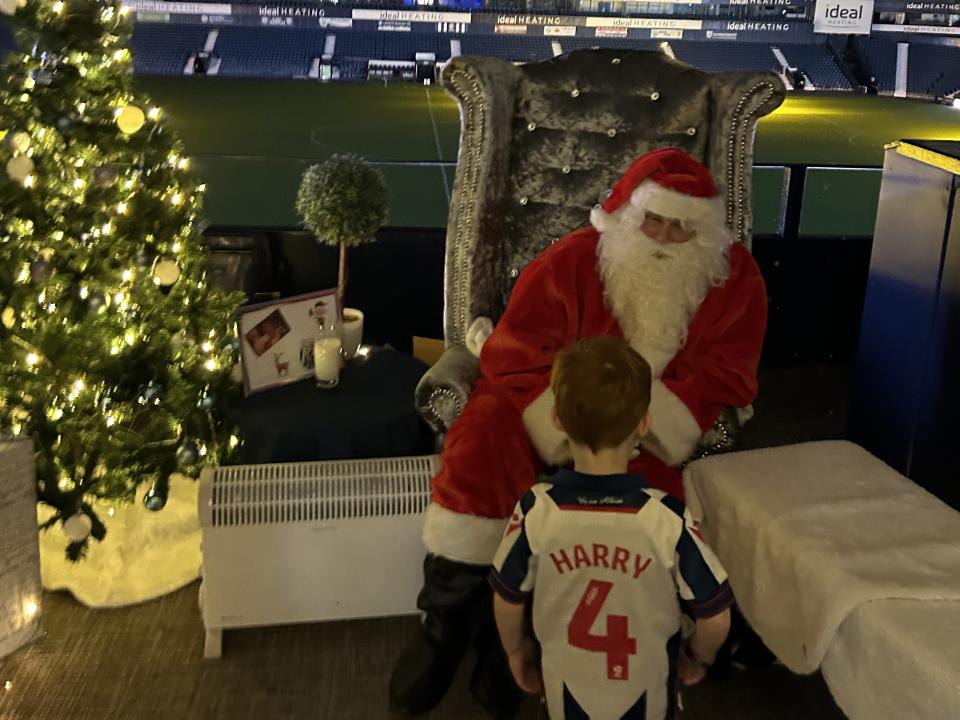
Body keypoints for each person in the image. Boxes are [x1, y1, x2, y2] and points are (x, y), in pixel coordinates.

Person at [389, 148, 766, 716]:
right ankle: (447, 620)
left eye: (681, 228)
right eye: (652, 220)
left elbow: (727, 371)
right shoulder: (572, 260)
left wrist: (643, 422)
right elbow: (515, 352)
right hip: (550, 399)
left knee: (649, 512)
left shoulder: (734, 279)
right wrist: (566, 423)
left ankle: (548, 641)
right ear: (626, 217)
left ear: (704, 232)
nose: (663, 237)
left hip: (645, 426)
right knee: (485, 433)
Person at [489, 337, 732, 719]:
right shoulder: (667, 518)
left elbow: (507, 598)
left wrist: (516, 651)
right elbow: (716, 616)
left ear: (557, 419)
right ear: (644, 424)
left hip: (565, 696)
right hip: (645, 697)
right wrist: (698, 657)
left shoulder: (536, 510)